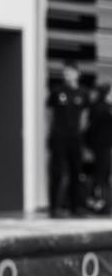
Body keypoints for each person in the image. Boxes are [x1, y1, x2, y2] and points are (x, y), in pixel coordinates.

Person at [47, 61, 89, 218]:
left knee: (76, 171)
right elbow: (49, 113)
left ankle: (76, 207)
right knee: (57, 171)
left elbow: (85, 116)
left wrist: (79, 133)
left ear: (77, 74)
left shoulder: (83, 93)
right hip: (59, 136)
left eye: (70, 72)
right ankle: (55, 207)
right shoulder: (57, 92)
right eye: (65, 72)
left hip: (75, 137)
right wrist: (52, 132)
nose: (67, 74)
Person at [84, 83, 112, 214]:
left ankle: (104, 203)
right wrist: (87, 147)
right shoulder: (98, 108)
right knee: (99, 176)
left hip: (106, 147)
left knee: (104, 176)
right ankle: (97, 203)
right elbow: (90, 129)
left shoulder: (107, 108)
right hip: (98, 148)